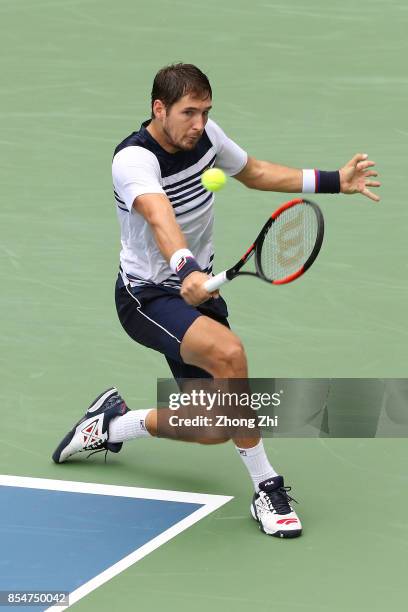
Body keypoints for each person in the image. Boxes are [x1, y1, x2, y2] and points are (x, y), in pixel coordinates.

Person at [52, 63, 380, 538]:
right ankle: (267, 486)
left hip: (199, 292)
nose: (199, 123)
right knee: (231, 354)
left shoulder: (205, 139)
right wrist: (186, 268)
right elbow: (160, 216)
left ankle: (115, 424)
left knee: (212, 426)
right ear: (158, 108)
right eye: (189, 112)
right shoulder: (133, 161)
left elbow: (256, 172)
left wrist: (334, 181)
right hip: (148, 296)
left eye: (206, 112)